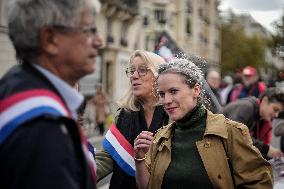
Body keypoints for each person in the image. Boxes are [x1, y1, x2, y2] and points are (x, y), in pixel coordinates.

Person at [0, 0, 102, 188]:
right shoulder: (44, 128)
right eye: (89, 30)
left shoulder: (16, 86)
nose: (99, 41)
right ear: (50, 39)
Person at [134, 58, 273, 189]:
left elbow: (259, 182)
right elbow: (147, 186)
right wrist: (140, 158)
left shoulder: (230, 132)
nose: (166, 100)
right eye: (162, 94)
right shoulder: (160, 138)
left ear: (196, 90)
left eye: (174, 91)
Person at [95, 50, 169, 189]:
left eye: (142, 70)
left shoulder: (173, 116)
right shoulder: (123, 115)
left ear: (159, 76)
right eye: (132, 70)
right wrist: (77, 172)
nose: (134, 76)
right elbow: (107, 157)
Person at [221, 87, 284, 159]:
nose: (276, 115)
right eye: (275, 109)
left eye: (279, 112)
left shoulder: (256, 113)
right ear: (265, 100)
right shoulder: (247, 107)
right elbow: (236, 135)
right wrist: (267, 149)